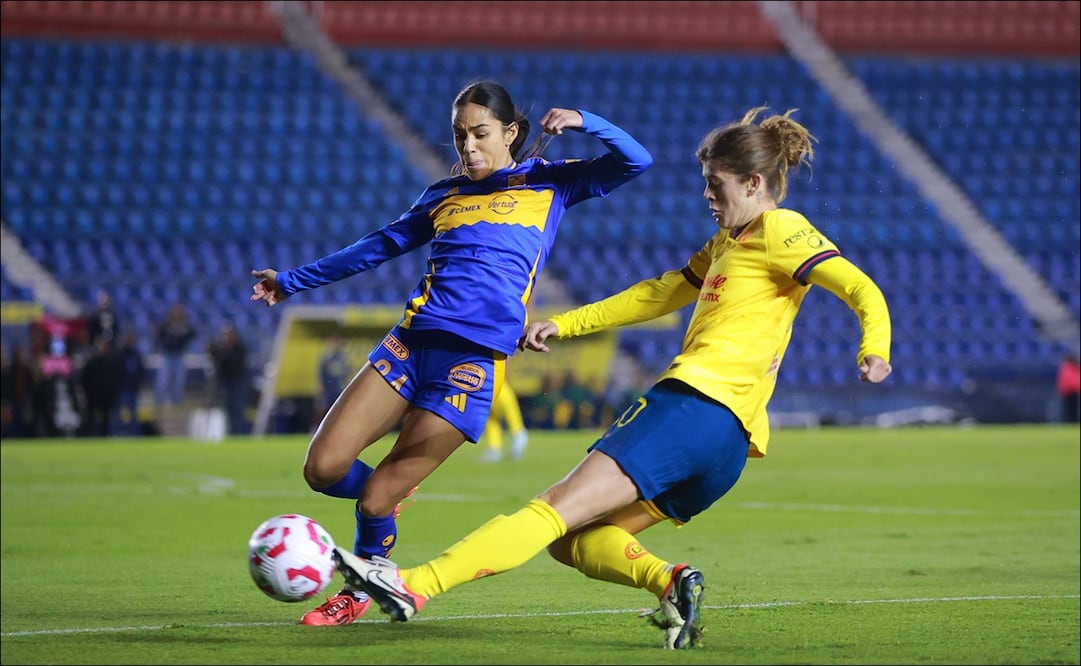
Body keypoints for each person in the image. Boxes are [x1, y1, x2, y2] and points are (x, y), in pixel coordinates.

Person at [330, 106, 893, 650]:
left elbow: (859, 286)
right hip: (728, 448)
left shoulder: (781, 228)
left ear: (752, 182)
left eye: (715, 184)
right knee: (576, 542)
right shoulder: (729, 242)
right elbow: (659, 293)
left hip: (694, 405)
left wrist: (874, 348)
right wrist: (566, 324)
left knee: (551, 509)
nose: (706, 195)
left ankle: (412, 584)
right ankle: (671, 583)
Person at [249, 80, 652, 626]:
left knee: (373, 502)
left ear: (511, 132)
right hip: (409, 344)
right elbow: (377, 246)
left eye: (481, 133)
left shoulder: (552, 181)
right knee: (321, 469)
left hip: (470, 365)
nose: (469, 146)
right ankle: (389, 497)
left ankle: (361, 587)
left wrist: (585, 119)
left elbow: (635, 160)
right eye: (460, 135)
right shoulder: (443, 194)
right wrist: (291, 281)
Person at [207, 322, 250, 435]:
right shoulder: (220, 349)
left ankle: (239, 434)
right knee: (228, 411)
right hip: (226, 384)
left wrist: (223, 352)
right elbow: (217, 361)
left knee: (239, 410)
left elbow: (232, 361)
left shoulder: (239, 348)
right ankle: (230, 434)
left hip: (238, 383)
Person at [153, 304, 197, 410]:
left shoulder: (185, 326)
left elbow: (193, 334)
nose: (176, 315)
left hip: (179, 356)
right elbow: (159, 335)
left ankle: (176, 407)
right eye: (175, 313)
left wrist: (183, 325)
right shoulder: (167, 325)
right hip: (167, 356)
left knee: (178, 384)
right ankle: (158, 406)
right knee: (162, 383)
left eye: (179, 313)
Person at [477, 381, 528, 463]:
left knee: (513, 422)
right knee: (491, 420)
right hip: (490, 393)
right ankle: (494, 448)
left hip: (500, 392)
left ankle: (517, 445)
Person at [1056, 353, 1080, 423]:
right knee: (1069, 409)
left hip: (1073, 392)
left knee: (1072, 409)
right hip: (1068, 392)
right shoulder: (1067, 369)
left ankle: (1071, 421)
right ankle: (1069, 422)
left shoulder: (1073, 368)